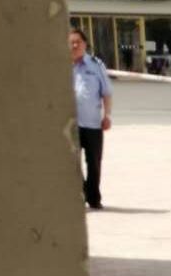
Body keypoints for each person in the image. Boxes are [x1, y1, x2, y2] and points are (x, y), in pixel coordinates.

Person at [69, 28, 113, 209]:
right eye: (71, 42)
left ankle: (93, 198)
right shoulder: (61, 66)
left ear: (85, 44)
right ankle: (83, 192)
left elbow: (106, 93)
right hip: (71, 125)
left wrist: (107, 115)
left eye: (78, 42)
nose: (74, 45)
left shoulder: (96, 65)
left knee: (94, 163)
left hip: (93, 123)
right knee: (71, 162)